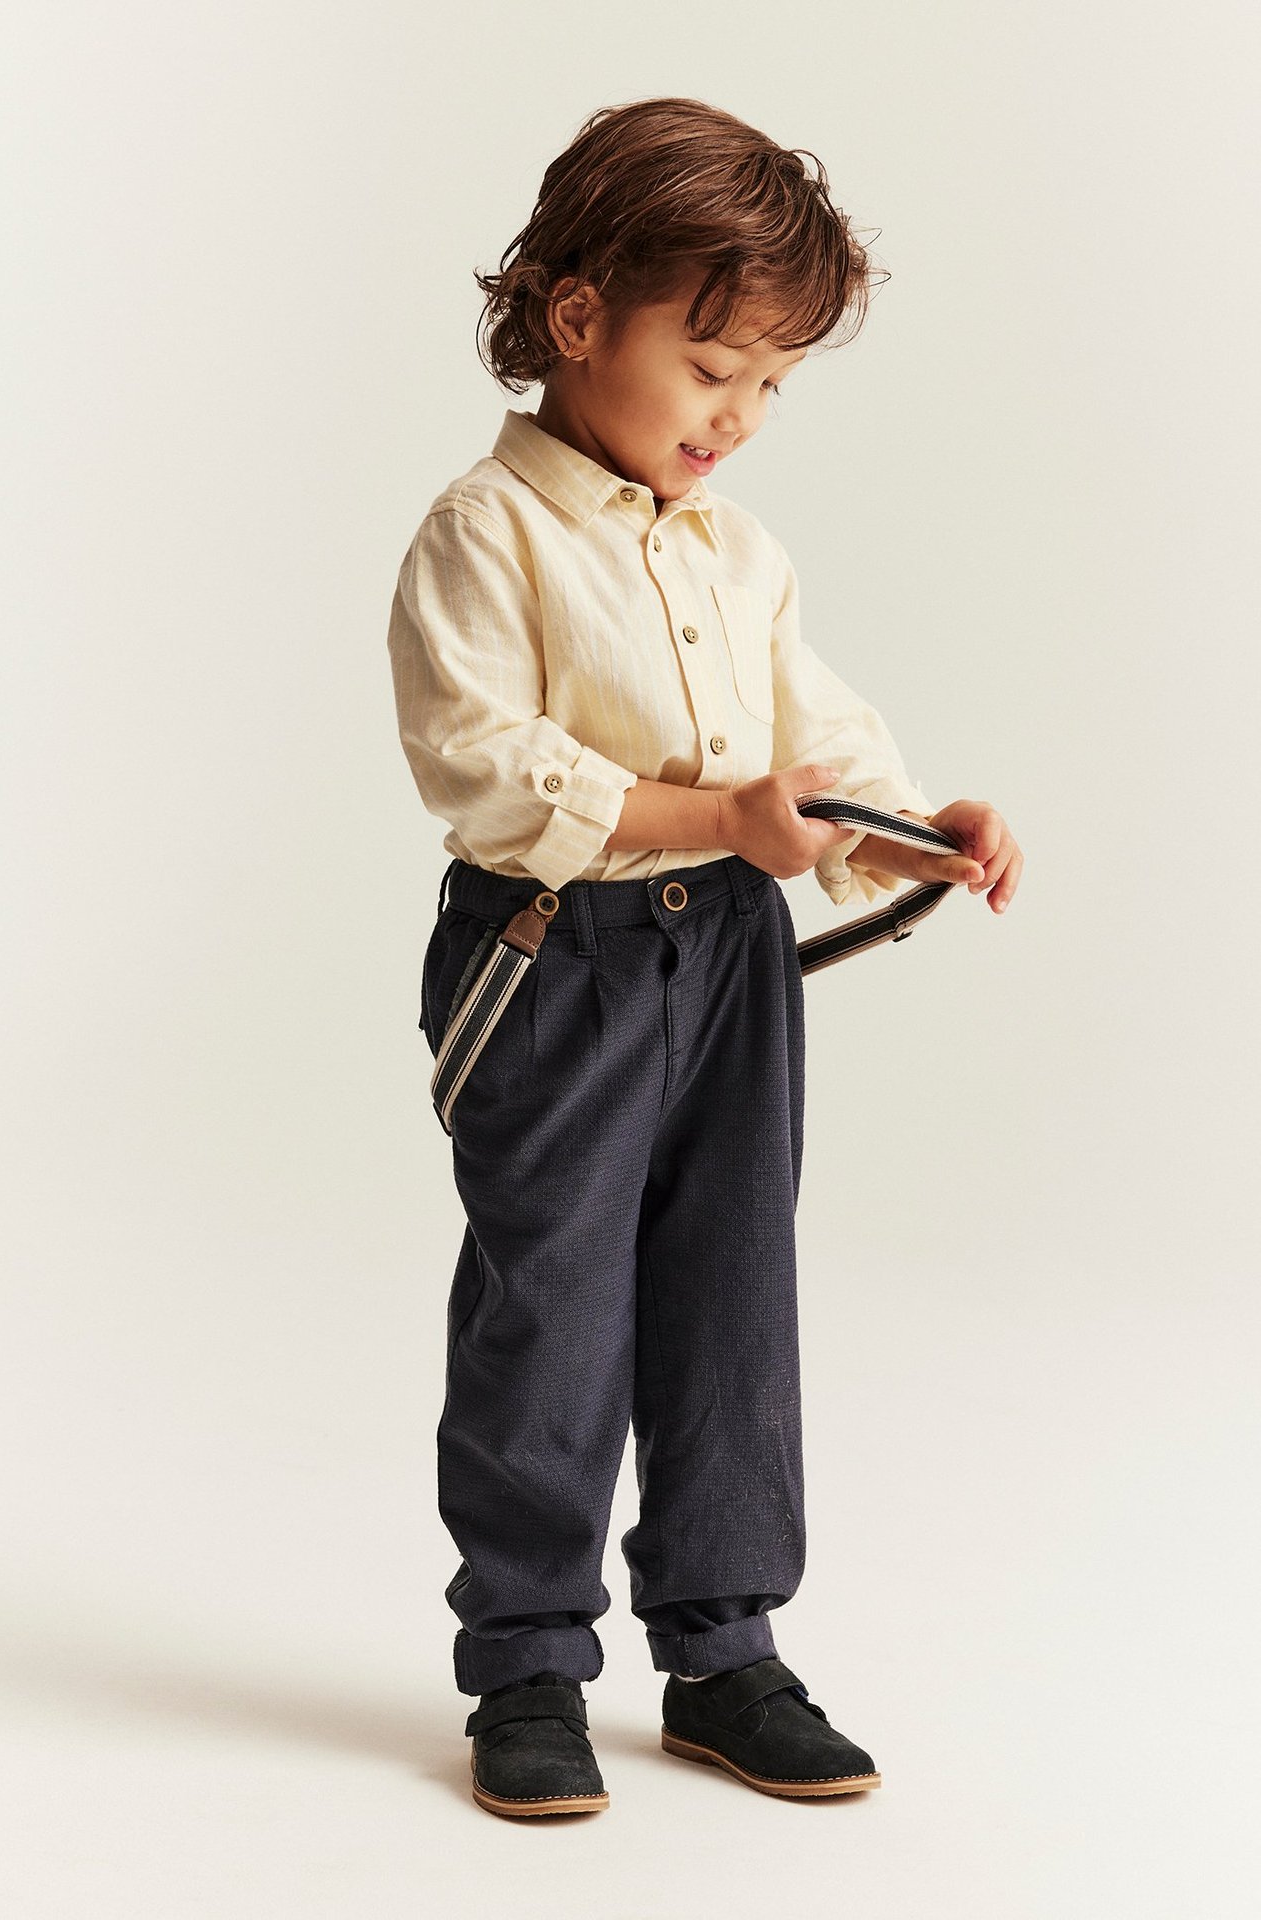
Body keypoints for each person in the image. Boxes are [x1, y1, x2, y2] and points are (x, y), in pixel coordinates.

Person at [385, 96, 1021, 1819]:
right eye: (715, 362)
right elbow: (485, 766)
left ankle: (725, 1649)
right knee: (553, 1314)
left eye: (772, 386)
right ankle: (525, 1665)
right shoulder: (484, 531)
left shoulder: (742, 554)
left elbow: (806, 760)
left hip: (727, 962)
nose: (739, 417)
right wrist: (713, 821)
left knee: (734, 1300)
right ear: (576, 314)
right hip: (552, 960)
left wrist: (919, 828)